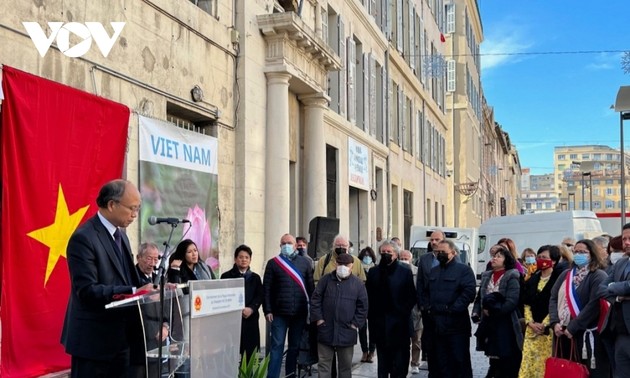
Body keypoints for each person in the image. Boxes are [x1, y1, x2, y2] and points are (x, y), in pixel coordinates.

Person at [60, 179, 155, 377]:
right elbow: (87, 290)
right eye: (132, 208)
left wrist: (153, 288)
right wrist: (131, 292)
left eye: (138, 209)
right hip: (93, 343)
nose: (135, 215)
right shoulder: (84, 238)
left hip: (122, 339)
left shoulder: (122, 236)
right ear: (112, 205)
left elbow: (128, 278)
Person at [549, 239, 608, 377]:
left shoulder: (598, 275)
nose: (578, 254)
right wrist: (554, 322)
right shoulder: (566, 274)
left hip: (586, 334)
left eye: (583, 252)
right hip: (562, 333)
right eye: (576, 251)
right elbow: (553, 297)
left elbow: (594, 305)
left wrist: (574, 326)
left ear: (592, 254)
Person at [420, 240, 476, 378]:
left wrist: (452, 309)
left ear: (453, 252)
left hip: (456, 326)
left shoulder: (464, 270)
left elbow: (468, 293)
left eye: (443, 252)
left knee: (459, 362)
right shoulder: (434, 271)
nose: (439, 254)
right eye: (437, 252)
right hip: (435, 325)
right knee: (437, 362)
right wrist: (427, 307)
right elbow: (425, 291)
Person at [263, 234, 315, 378]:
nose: (286, 245)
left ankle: (290, 375)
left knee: (294, 348)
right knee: (277, 347)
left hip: (299, 314)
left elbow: (311, 289)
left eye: (289, 243)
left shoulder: (305, 263)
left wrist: (313, 311)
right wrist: (267, 310)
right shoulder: (273, 263)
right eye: (283, 243)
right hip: (279, 314)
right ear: (280, 245)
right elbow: (266, 289)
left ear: (295, 245)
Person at [311, 253, 368, 378]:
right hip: (326, 329)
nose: (343, 267)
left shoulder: (358, 284)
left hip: (347, 331)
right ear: (335, 264)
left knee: (345, 367)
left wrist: (354, 324)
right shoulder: (325, 280)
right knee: (324, 365)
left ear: (352, 266)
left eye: (346, 265)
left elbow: (363, 307)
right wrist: (319, 319)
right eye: (340, 264)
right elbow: (315, 300)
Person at [366, 240, 417, 378]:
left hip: (400, 325)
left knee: (400, 364)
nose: (386, 254)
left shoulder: (404, 271)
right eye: (383, 252)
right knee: (383, 364)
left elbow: (411, 296)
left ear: (395, 254)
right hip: (380, 324)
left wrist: (401, 311)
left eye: (389, 252)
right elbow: (369, 297)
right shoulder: (373, 272)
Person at [472, 245, 523, 378]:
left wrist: (496, 312)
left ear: (506, 260)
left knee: (505, 355)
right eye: (493, 256)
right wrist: (476, 312)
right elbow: (480, 297)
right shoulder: (487, 275)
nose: (494, 258)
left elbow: (512, 300)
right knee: (493, 355)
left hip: (505, 321)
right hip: (488, 322)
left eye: (498, 256)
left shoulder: (512, 275)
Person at [518, 245, 562, 378]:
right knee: (528, 364)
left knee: (544, 365)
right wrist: (530, 322)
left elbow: (557, 304)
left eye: (544, 257)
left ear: (553, 261)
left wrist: (545, 323)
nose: (540, 260)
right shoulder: (532, 279)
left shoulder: (558, 279)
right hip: (531, 330)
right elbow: (526, 304)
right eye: (539, 257)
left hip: (548, 330)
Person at [220, 244, 264, 360]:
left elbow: (259, 296)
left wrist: (252, 308)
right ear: (235, 259)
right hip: (232, 320)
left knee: (250, 354)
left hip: (250, 319)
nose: (243, 260)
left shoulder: (255, 278)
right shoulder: (226, 276)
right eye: (240, 257)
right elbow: (223, 296)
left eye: (246, 257)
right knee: (231, 353)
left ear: (250, 260)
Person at [600, 223, 630, 377]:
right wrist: (619, 296)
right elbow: (602, 289)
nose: (626, 243)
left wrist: (614, 286)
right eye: (624, 239)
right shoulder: (621, 263)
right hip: (620, 334)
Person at [416, 229, 445, 371]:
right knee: (428, 336)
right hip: (428, 306)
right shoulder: (425, 259)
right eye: (432, 240)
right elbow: (420, 283)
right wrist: (422, 305)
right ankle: (428, 359)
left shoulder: (451, 257)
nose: (433, 242)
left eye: (437, 240)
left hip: (444, 307)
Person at [400, 250, 422, 374]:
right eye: (402, 257)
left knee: (416, 340)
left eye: (406, 258)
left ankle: (415, 363)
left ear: (411, 259)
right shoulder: (395, 271)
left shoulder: (417, 272)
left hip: (416, 312)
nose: (404, 260)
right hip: (401, 312)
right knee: (403, 341)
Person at [358, 246, 377, 363]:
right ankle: (364, 351)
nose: (367, 258)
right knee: (362, 328)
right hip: (361, 302)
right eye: (365, 255)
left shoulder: (376, 269)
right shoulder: (358, 268)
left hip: (374, 303)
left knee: (373, 329)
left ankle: (372, 351)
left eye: (369, 256)